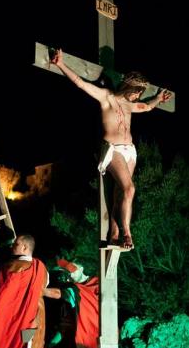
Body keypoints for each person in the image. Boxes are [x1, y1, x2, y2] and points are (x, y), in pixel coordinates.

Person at [51, 49, 172, 249]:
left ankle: (114, 234)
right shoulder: (107, 97)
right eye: (136, 91)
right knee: (129, 188)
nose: (138, 95)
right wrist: (61, 64)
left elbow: (148, 107)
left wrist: (158, 99)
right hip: (113, 148)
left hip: (129, 150)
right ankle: (127, 233)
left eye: (140, 93)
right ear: (128, 86)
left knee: (120, 193)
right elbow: (81, 83)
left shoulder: (130, 105)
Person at [47, 259, 99, 348]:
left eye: (72, 268)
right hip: (73, 328)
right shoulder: (75, 287)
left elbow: (58, 293)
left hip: (89, 331)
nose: (71, 273)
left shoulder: (95, 284)